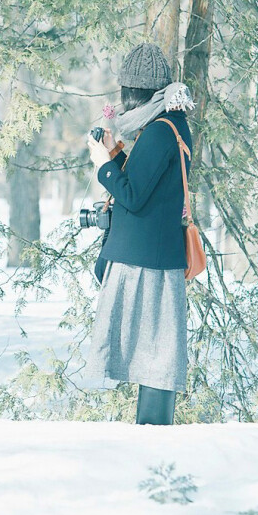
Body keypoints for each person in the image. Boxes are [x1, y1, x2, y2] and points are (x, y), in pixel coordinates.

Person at [85, 42, 195, 425]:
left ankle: (152, 433)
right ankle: (150, 432)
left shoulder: (160, 131)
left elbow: (131, 194)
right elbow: (145, 185)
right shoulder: (168, 125)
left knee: (156, 357)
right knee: (155, 354)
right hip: (152, 256)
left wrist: (103, 165)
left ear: (134, 94)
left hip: (146, 261)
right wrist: (115, 155)